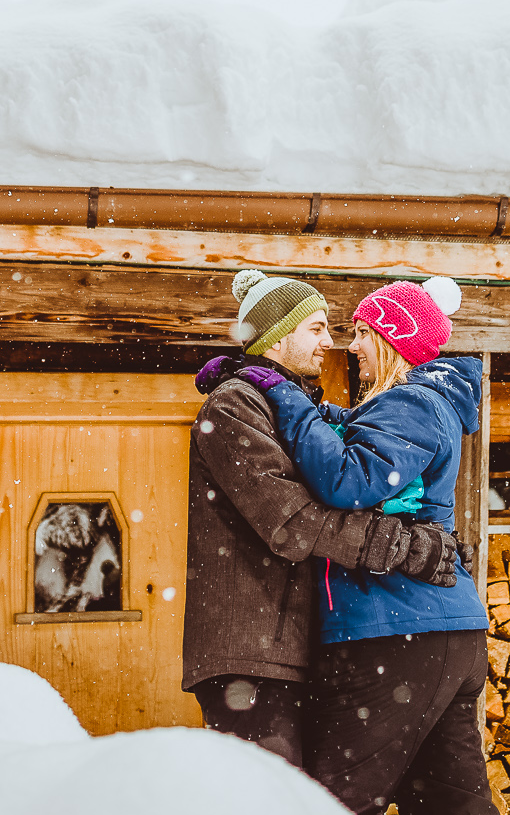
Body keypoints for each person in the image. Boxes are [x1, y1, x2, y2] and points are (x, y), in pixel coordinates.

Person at [260, 276, 507, 815]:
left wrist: (286, 397)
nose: (351, 347)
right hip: (438, 629)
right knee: (454, 814)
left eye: (362, 333)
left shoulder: (412, 403)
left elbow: (348, 479)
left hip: (394, 627)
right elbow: (358, 440)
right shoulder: (423, 404)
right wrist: (312, 406)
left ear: (393, 338)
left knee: (335, 808)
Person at [185, 268, 464, 767]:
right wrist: (406, 547)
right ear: (276, 336)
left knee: (310, 799)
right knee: (271, 800)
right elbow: (293, 520)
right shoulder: (233, 406)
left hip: (297, 643)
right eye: (316, 328)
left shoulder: (289, 406)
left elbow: (358, 445)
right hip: (251, 650)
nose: (330, 343)